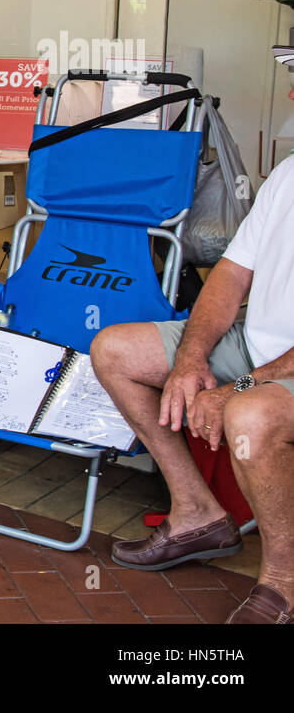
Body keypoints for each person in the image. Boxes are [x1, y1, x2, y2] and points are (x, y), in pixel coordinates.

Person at [90, 155, 294, 624]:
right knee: (114, 350)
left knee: (249, 415)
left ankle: (282, 582)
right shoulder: (287, 173)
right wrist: (190, 359)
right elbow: (232, 272)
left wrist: (237, 387)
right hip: (255, 349)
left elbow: (247, 390)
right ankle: (197, 512)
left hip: (275, 371)